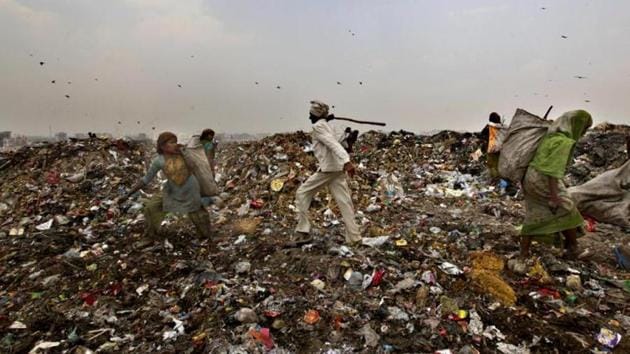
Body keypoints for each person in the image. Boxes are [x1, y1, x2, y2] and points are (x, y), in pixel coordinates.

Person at [520, 110, 593, 259]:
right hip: (543, 179)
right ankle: (573, 248)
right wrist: (554, 196)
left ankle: (523, 254)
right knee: (567, 208)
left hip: (530, 177)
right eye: (584, 128)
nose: (584, 132)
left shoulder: (550, 136)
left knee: (534, 214)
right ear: (576, 124)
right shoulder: (563, 142)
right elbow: (552, 170)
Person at [120, 132, 212, 239]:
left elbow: (198, 162)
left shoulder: (183, 154)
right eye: (172, 142)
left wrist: (185, 151)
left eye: (176, 142)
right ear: (163, 146)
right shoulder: (159, 161)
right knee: (151, 207)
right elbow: (146, 179)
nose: (175, 145)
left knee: (198, 215)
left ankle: (206, 238)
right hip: (172, 190)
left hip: (190, 189)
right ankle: (152, 236)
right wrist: (127, 195)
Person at [294, 100, 362, 245]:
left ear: (315, 115)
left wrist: (347, 161)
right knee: (344, 202)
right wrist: (346, 156)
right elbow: (339, 141)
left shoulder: (318, 126)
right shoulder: (327, 125)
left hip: (330, 169)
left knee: (302, 193)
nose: (309, 117)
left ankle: (303, 231)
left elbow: (333, 144)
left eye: (310, 115)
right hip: (337, 169)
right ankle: (355, 238)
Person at [480, 112, 504, 179]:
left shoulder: (489, 127)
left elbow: (482, 135)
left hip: (491, 149)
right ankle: (500, 178)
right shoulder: (502, 127)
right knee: (499, 164)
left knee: (491, 165)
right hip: (501, 149)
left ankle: (495, 179)